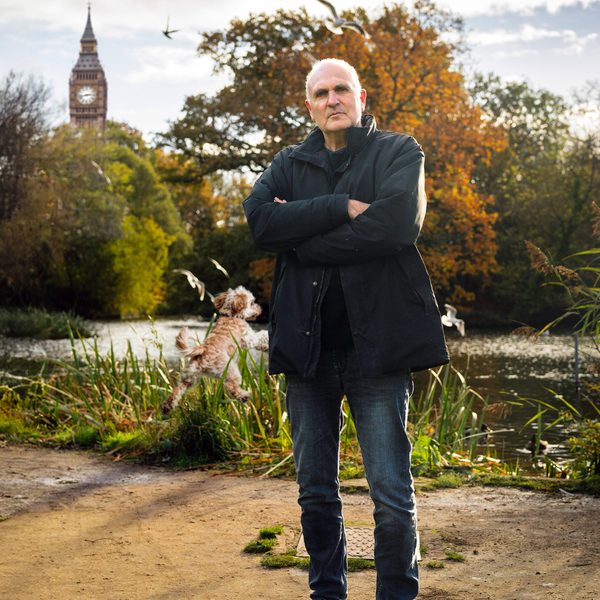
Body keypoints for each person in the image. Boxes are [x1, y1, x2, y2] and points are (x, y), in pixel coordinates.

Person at [243, 58, 448, 600]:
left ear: (360, 97)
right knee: (315, 492)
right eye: (320, 93)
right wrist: (339, 207)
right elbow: (261, 222)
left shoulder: (399, 152)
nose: (332, 100)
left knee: (390, 492)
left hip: (377, 353)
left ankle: (396, 595)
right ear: (309, 105)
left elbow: (397, 225)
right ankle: (326, 593)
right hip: (306, 354)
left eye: (341, 90)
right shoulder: (290, 161)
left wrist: (304, 239)